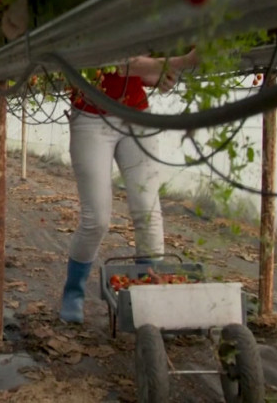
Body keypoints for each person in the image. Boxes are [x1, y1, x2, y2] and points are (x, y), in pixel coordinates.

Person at [60, 50, 199, 323]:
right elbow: (116, 64)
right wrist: (175, 62)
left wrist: (153, 77)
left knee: (147, 211)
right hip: (90, 117)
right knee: (96, 219)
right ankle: (73, 291)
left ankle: (150, 297)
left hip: (136, 115)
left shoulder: (147, 15)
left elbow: (134, 68)